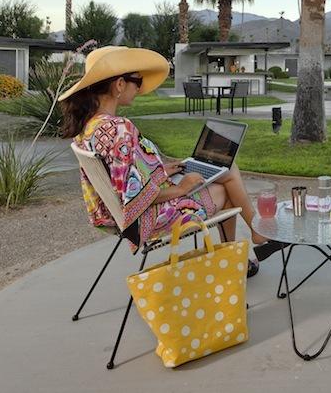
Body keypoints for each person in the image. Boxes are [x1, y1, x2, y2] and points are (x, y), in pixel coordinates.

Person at [59, 46, 282, 277]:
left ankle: (251, 240)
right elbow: (134, 197)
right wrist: (183, 188)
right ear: (119, 85)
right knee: (226, 188)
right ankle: (240, 255)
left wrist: (161, 169)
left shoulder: (90, 127)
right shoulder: (119, 129)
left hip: (123, 218)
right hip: (146, 218)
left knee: (227, 170)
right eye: (138, 81)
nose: (141, 87)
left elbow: (122, 177)